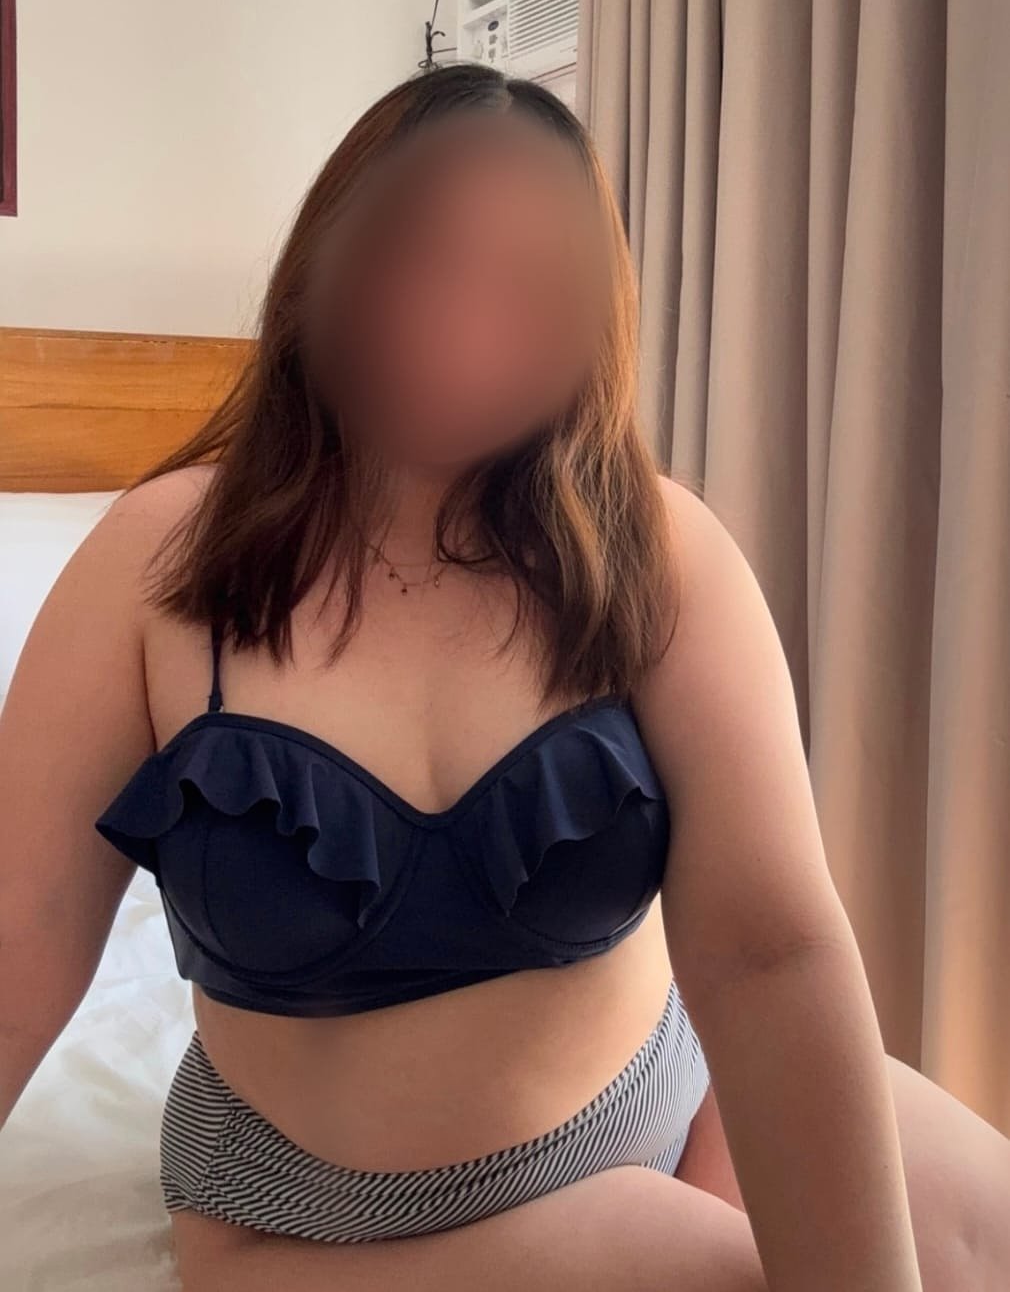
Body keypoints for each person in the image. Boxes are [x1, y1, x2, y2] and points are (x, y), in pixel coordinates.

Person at [1, 64, 1006, 1292]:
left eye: (528, 283)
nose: (465, 325)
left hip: (664, 1095)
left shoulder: (657, 551)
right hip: (312, 1220)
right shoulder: (160, 557)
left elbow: (771, 952)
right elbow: (20, 937)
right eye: (422, 259)